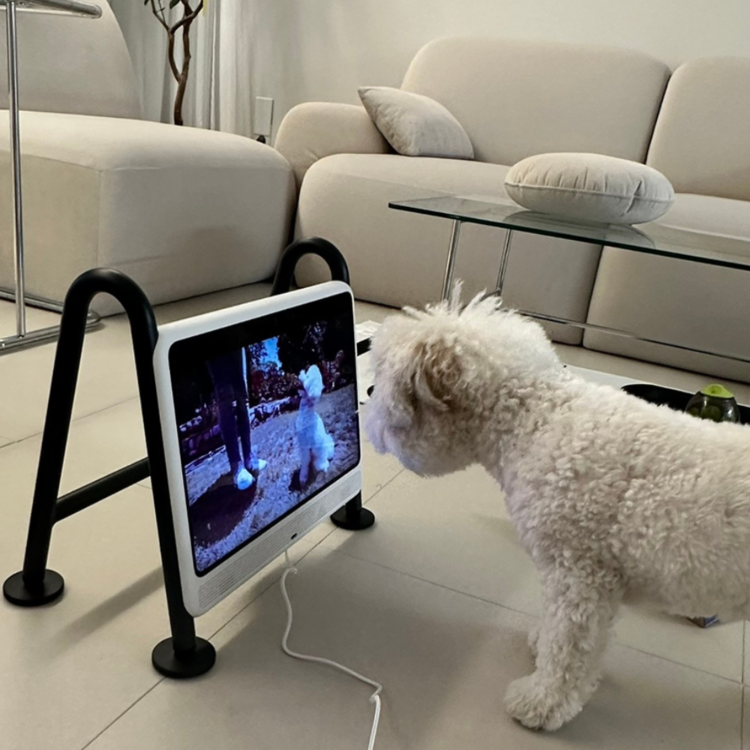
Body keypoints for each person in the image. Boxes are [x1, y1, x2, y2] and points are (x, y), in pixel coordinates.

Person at [207, 349, 265, 490]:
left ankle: (248, 458)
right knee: (224, 395)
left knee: (242, 394)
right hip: (211, 342)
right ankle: (236, 465)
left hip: (236, 341)